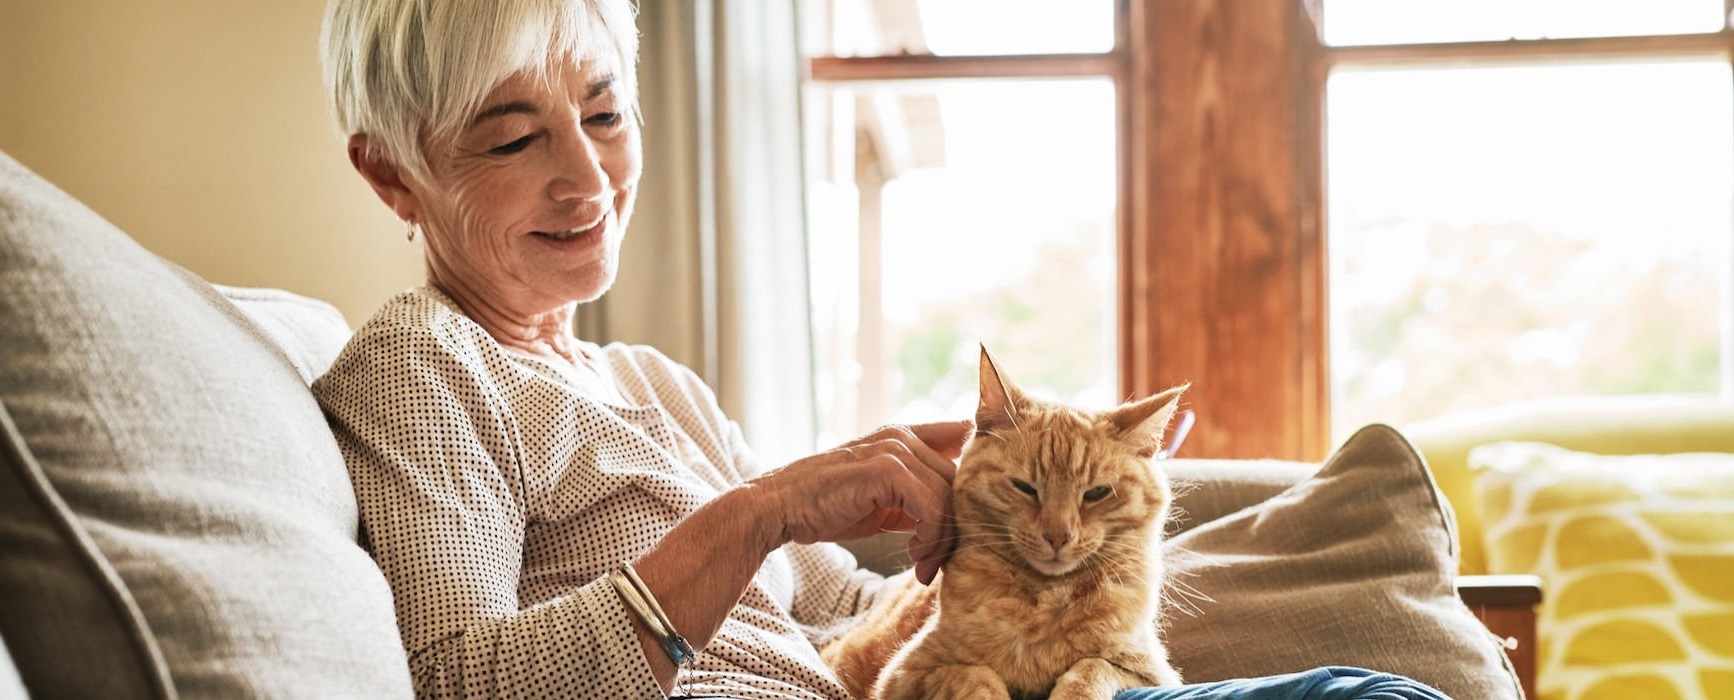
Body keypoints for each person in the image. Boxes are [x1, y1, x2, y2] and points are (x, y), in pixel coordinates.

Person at [311, 1, 1456, 699]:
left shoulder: (647, 381)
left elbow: (836, 610)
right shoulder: (422, 372)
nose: (587, 177)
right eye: (514, 137)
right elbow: (457, 684)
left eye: (605, 116)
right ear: (390, 172)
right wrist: (764, 507)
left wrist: (979, 521)